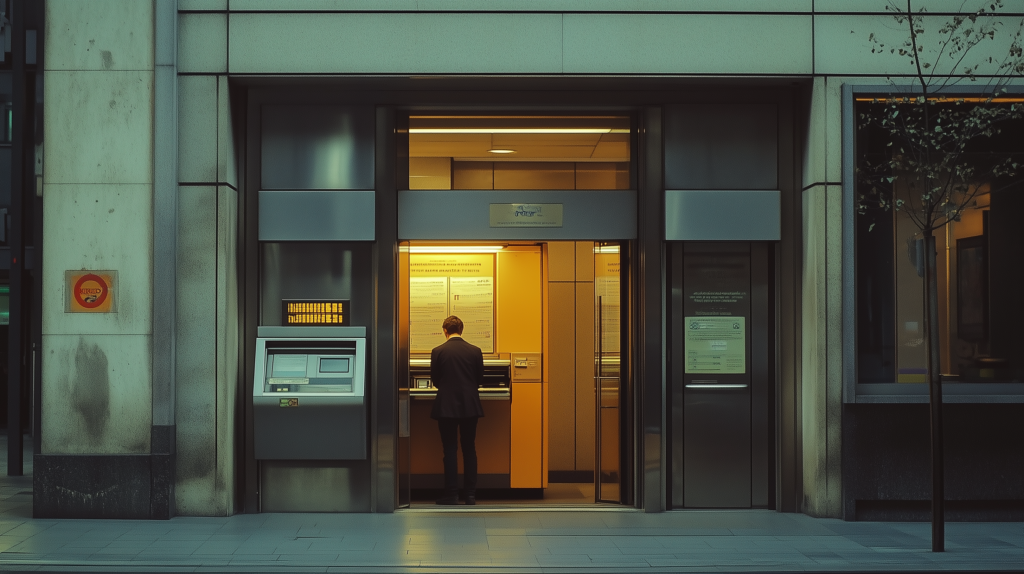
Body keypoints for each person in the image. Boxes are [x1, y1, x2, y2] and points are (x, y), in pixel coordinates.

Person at [430, 315, 485, 505]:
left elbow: (436, 380)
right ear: (462, 330)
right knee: (469, 448)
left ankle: (451, 494)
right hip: (470, 405)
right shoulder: (475, 351)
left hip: (446, 407)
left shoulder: (438, 351)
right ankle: (470, 495)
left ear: (445, 331)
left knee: (450, 449)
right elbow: (479, 379)